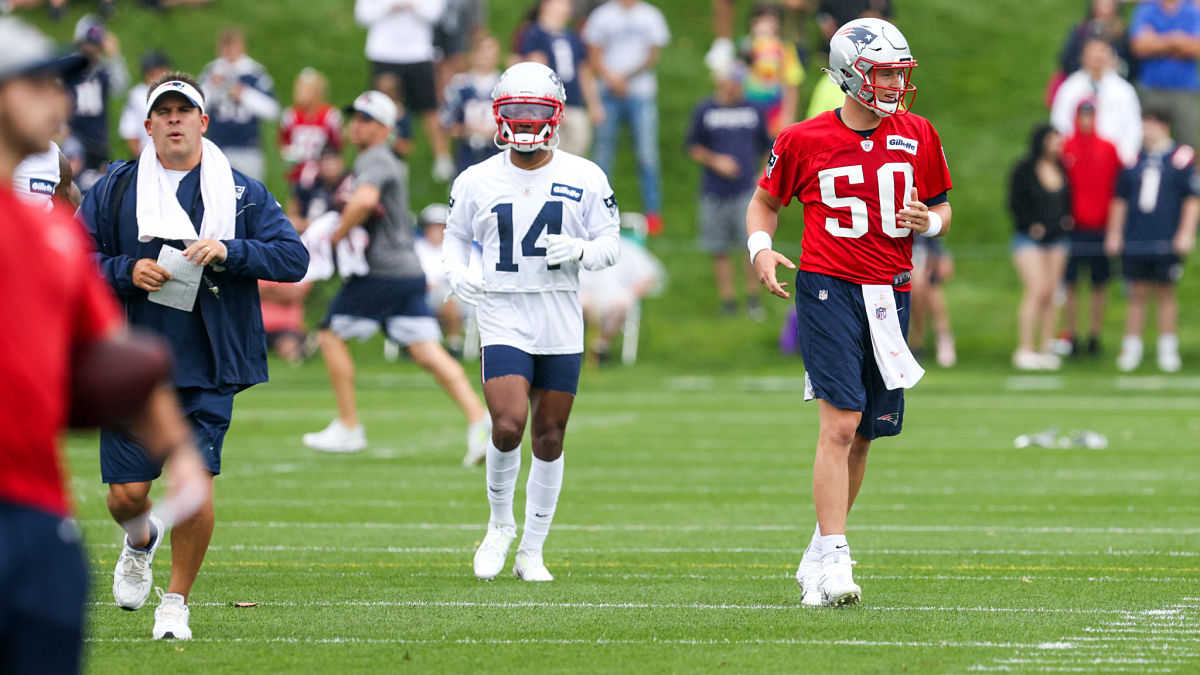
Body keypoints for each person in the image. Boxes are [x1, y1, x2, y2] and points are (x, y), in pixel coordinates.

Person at [78, 71, 310, 640]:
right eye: (166, 111)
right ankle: (139, 541)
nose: (175, 120)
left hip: (210, 360)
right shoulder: (113, 190)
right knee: (127, 494)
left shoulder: (242, 192)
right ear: (148, 124)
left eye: (186, 111)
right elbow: (76, 260)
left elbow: (293, 258)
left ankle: (175, 602)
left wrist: (230, 250)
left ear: (204, 122)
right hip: (132, 359)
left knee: (195, 483)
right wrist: (125, 271)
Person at [747, 18, 952, 607]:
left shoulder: (919, 132)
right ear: (848, 73)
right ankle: (837, 560)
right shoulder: (802, 138)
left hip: (891, 292)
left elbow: (940, 208)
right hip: (827, 288)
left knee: (866, 434)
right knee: (839, 424)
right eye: (883, 71)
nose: (893, 84)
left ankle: (817, 552)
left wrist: (929, 223)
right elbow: (764, 204)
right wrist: (760, 249)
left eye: (898, 73)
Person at [443, 62, 620, 582]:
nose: (522, 121)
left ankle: (532, 549)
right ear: (498, 115)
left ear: (555, 114)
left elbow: (611, 243)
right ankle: (500, 525)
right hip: (502, 308)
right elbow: (453, 236)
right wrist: (457, 271)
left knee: (549, 435)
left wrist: (583, 249)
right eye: (513, 110)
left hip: (559, 311)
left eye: (533, 110)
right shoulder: (476, 179)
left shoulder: (584, 175)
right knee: (507, 424)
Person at [302, 91, 491, 464]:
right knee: (427, 351)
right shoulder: (382, 159)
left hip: (383, 271)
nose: (358, 124)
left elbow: (364, 201)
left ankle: (349, 426)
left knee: (328, 334)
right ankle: (480, 420)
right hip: (406, 270)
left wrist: (334, 237)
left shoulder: (375, 158)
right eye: (356, 117)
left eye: (367, 119)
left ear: (386, 128)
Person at [1106, 107, 1199, 371]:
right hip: (1136, 235)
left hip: (1166, 237)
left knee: (1166, 292)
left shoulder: (1181, 158)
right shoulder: (1133, 159)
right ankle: (1131, 347)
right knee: (1136, 292)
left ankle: (1167, 348)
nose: (1146, 130)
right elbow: (1120, 200)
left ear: (1164, 126)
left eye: (1151, 124)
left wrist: (1185, 232)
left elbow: (1191, 200)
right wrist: (1114, 232)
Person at [686, 61, 772, 320]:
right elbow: (693, 146)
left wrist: (762, 174)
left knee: (750, 246)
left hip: (747, 191)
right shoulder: (705, 109)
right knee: (719, 248)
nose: (736, 86)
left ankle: (753, 299)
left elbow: (768, 146)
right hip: (713, 191)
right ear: (721, 82)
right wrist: (716, 161)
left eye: (739, 81)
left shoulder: (754, 109)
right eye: (732, 81)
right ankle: (728, 301)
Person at [582, 0, 670, 235]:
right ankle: (597, 210)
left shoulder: (650, 15)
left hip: (641, 93)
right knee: (602, 155)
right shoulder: (602, 16)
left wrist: (623, 77)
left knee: (647, 155)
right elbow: (594, 54)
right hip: (607, 92)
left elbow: (652, 54)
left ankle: (653, 213)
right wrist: (612, 78)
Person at [355, 0, 455, 181]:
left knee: (429, 108)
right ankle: (377, 155)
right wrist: (389, 7)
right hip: (383, 52)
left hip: (418, 52)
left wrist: (411, 5)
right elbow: (362, 16)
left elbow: (435, 14)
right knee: (377, 109)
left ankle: (442, 159)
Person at [1060, 102, 1123, 357]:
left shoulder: (1108, 148)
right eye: (1082, 116)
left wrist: (1113, 227)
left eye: (1090, 116)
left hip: (1101, 226)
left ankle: (1095, 335)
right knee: (1072, 284)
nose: (1086, 121)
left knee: (1099, 284)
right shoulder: (1066, 148)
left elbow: (1117, 187)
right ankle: (1072, 334)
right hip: (1074, 228)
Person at [1008, 124, 1072, 371]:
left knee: (1053, 292)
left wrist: (1068, 218)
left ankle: (1046, 346)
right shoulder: (1024, 170)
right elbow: (1015, 202)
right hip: (1028, 239)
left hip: (1058, 239)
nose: (1058, 144)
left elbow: (1068, 200)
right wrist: (1030, 224)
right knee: (1037, 290)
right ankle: (1024, 348)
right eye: (1054, 139)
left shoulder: (1062, 168)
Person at [519, 0, 605, 156]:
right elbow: (538, 71)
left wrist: (594, 103)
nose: (567, 7)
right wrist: (552, 105)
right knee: (549, 154)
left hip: (574, 104)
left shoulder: (572, 36)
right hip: (550, 107)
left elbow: (583, 71)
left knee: (576, 156)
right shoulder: (534, 34)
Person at [198, 26, 280, 181]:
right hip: (218, 147)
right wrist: (210, 87)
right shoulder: (212, 72)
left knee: (250, 198)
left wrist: (245, 95)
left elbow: (272, 110)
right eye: (225, 47)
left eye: (233, 46)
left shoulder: (254, 72)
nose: (229, 52)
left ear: (242, 46)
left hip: (247, 148)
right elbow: (196, 108)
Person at [1051, 38, 1142, 164]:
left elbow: (1133, 126)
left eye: (1103, 51)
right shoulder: (1069, 88)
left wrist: (1127, 156)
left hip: (1115, 160)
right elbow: (1060, 122)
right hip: (1077, 160)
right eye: (1093, 52)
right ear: (1083, 57)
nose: (1098, 57)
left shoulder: (1124, 90)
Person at [65, 13, 129, 190]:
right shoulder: (69, 69)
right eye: (87, 45)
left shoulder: (102, 71)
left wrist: (115, 56)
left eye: (95, 45)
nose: (91, 50)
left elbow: (120, 87)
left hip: (98, 142)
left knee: (96, 192)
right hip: (73, 140)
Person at [1129, 0, 1200, 153]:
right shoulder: (1146, 9)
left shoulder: (1192, 11)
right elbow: (1139, 47)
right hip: (1152, 90)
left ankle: (1191, 177)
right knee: (1148, 144)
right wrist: (1176, 40)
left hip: (1185, 91)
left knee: (1190, 145)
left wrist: (1156, 41)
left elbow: (1196, 47)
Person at [440, 31, 503, 176]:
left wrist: (494, 133)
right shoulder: (459, 84)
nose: (486, 55)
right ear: (472, 54)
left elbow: (517, 125)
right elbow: (446, 122)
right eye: (481, 50)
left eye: (490, 50)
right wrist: (466, 130)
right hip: (467, 153)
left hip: (498, 154)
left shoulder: (506, 86)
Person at [414, 202, 471, 357]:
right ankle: (417, 343)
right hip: (421, 294)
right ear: (425, 228)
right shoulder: (415, 248)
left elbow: (474, 274)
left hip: (459, 295)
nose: (436, 231)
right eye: (432, 226)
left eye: (440, 226)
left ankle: (453, 343)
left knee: (447, 297)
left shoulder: (461, 248)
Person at [739, 3, 804, 136]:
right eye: (762, 20)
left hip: (775, 109)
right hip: (748, 107)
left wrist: (788, 116)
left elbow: (792, 84)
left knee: (772, 146)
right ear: (753, 22)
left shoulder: (785, 49)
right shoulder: (746, 45)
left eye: (771, 20)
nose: (766, 25)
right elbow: (738, 75)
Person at [279, 67, 342, 190]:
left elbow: (337, 146)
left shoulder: (330, 116)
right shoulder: (291, 115)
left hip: (322, 175)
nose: (299, 93)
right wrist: (290, 155)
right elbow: (283, 142)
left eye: (304, 89)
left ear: (317, 91)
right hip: (297, 173)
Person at [908, 235, 956, 368]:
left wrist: (942, 256)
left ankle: (942, 338)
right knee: (916, 292)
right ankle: (916, 341)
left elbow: (933, 233)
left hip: (928, 254)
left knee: (933, 293)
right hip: (906, 254)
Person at [118, 50, 173, 158]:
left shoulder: (176, 92)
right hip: (149, 156)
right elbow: (130, 131)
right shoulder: (138, 95)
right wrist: (142, 159)